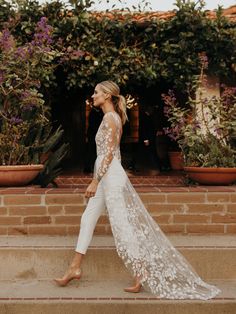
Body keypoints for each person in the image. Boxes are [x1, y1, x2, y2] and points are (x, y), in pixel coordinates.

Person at [54, 81, 221, 300]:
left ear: (107, 96)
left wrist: (95, 181)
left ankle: (141, 272)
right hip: (105, 176)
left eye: (96, 92)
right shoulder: (111, 118)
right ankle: (74, 268)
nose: (93, 96)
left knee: (122, 224)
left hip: (110, 177)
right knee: (87, 219)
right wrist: (97, 179)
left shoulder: (110, 118)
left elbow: (110, 153)